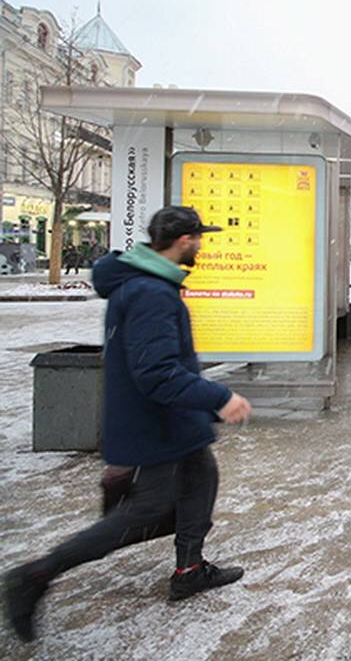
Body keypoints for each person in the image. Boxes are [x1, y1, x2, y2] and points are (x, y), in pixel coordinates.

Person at [4, 206, 253, 643]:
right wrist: (219, 397)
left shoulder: (148, 284)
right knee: (143, 512)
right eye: (198, 238)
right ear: (182, 241)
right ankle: (36, 575)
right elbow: (155, 373)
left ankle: (189, 570)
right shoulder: (150, 293)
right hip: (156, 425)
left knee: (202, 476)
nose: (201, 245)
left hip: (174, 422)